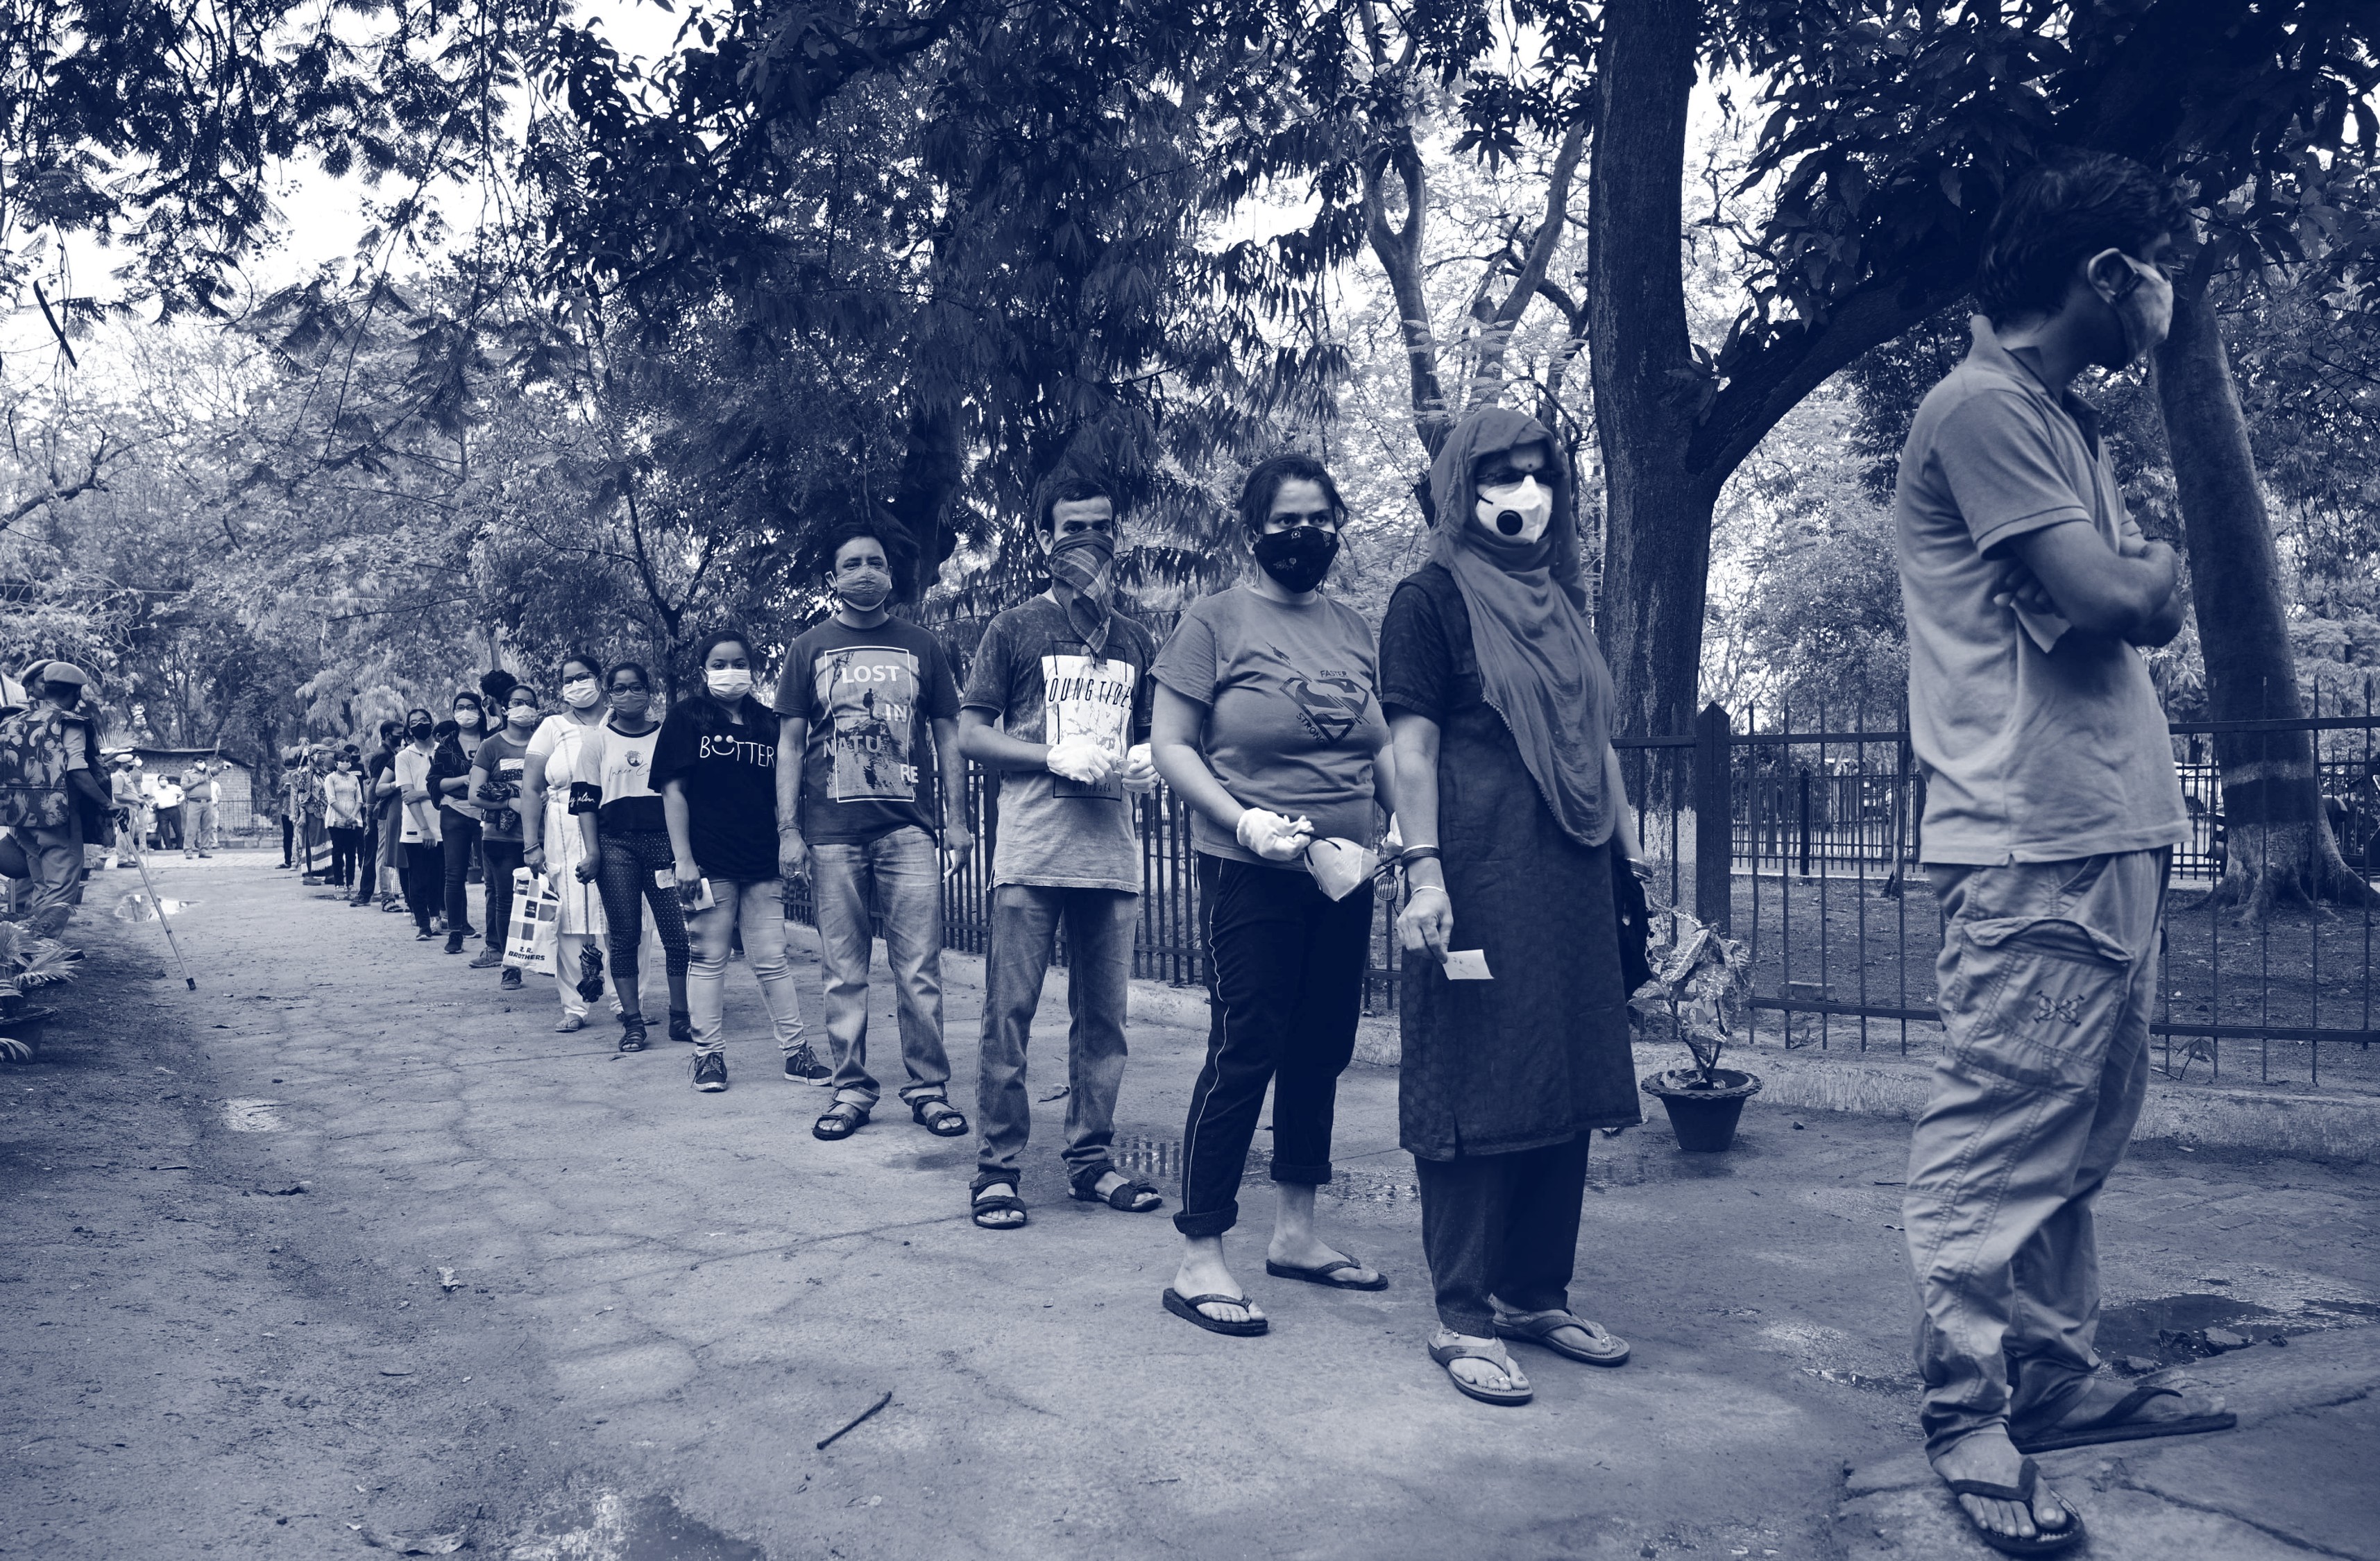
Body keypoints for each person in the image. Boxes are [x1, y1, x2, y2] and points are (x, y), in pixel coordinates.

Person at [1891, 153, 2231, 1556]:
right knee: (1994, 1137)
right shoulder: (1979, 409)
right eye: (2149, 265)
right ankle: (1962, 1410)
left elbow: (2130, 593)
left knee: (2072, 1140)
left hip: (2102, 832)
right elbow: (2119, 597)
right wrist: (2140, 567)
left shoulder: (2048, 421)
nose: (2158, 291)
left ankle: (2052, 1369)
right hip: (2032, 840)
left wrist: (2139, 572)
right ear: (2105, 276)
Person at [1378, 410, 1646, 1405]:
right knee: (1474, 1085)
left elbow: (1596, 739)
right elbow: (1410, 749)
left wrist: (1629, 857)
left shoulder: (1558, 603)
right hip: (1477, 875)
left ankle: (1535, 1291)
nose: (1523, 492)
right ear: (1459, 487)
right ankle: (1462, 1314)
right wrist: (1425, 872)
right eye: (1499, 474)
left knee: (1559, 1078)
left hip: (1570, 876)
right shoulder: (1429, 599)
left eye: (1539, 475)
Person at [1148, 453, 1399, 1336]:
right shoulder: (1212, 621)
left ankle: (1295, 1234)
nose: (1305, 536)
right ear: (1253, 530)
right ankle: (1200, 1254)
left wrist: (1410, 837)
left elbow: (1378, 746)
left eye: (1319, 519)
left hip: (1343, 870)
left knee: (1321, 1045)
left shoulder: (1353, 627)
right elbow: (1173, 745)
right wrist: (1243, 820)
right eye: (1286, 521)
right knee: (1246, 1042)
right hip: (1248, 867)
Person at [955, 473, 1164, 1231]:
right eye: (1072, 528)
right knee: (1007, 1016)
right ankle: (997, 1170)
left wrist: (1148, 759)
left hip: (1110, 856)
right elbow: (971, 734)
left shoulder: (1136, 638)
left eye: (1102, 527)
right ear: (1044, 538)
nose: (1089, 541)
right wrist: (1048, 755)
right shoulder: (1014, 628)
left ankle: (1090, 1163)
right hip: (1031, 854)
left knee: (1104, 1022)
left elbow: (1154, 736)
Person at [774, 522, 968, 1129]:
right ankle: (851, 1090)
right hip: (832, 832)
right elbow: (789, 744)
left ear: (891, 576)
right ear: (834, 579)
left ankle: (929, 1090)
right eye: (853, 564)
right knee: (843, 972)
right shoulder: (808, 648)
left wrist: (957, 823)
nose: (866, 573)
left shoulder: (922, 646)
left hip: (908, 830)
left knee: (919, 970)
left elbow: (947, 735)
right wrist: (788, 829)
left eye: (876, 563)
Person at [658, 629, 808, 1094]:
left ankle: (797, 1053)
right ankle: (708, 1058)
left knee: (772, 960)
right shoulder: (686, 718)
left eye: (738, 662)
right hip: (706, 862)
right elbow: (673, 792)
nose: (729, 671)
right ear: (704, 670)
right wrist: (683, 858)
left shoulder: (770, 723)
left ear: (754, 668)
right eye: (718, 663)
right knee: (707, 959)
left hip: (762, 859)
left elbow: (788, 788)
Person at [575, 663, 693, 1052]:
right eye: (620, 689)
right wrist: (592, 852)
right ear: (609, 695)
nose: (629, 695)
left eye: (637, 688)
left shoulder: (668, 736)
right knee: (624, 936)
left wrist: (686, 853)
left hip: (664, 842)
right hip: (615, 845)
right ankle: (633, 1023)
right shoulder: (596, 741)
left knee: (677, 935)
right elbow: (586, 802)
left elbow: (684, 795)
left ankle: (681, 1018)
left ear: (649, 691)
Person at [520, 655, 616, 1031]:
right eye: (568, 679)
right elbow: (531, 788)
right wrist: (532, 844)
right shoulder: (551, 726)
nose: (576, 684)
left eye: (583, 677)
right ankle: (575, 1007)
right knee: (572, 918)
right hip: (563, 828)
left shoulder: (619, 720)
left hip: (619, 825)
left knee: (625, 917)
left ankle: (627, 1002)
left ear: (599, 680)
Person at [0, 663, 112, 939]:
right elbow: (77, 771)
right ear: (75, 693)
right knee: (61, 887)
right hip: (56, 817)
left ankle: (24, 947)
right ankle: (38, 949)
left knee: (41, 883)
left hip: (20, 817)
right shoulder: (69, 722)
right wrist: (107, 803)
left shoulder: (11, 721)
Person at [470, 683, 540, 987]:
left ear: (536, 708)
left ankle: (551, 959)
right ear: (505, 708)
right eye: (516, 702)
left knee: (546, 900)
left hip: (545, 835)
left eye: (529, 702)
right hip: (501, 837)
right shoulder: (491, 746)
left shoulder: (546, 741)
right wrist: (510, 802)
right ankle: (510, 965)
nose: (522, 707)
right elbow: (474, 795)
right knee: (507, 902)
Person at [430, 691, 489, 953]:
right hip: (454, 811)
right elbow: (434, 782)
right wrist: (465, 780)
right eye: (460, 707)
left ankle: (498, 936)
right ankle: (455, 932)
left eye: (471, 707)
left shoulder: (493, 741)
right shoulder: (445, 748)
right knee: (454, 875)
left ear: (480, 710)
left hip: (490, 813)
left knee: (494, 877)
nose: (466, 712)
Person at [391, 709, 444, 940]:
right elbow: (407, 795)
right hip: (416, 826)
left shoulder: (444, 751)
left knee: (439, 876)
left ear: (432, 723)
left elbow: (450, 787)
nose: (420, 725)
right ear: (408, 729)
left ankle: (437, 918)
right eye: (414, 722)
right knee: (418, 877)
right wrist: (424, 829)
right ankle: (422, 924)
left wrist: (423, 793)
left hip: (444, 823)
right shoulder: (404, 756)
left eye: (424, 720)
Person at [362, 720, 406, 910]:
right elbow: (374, 786)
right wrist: (370, 812)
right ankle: (386, 896)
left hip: (390, 809)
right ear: (388, 735)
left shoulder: (391, 753)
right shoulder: (383, 755)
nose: (402, 736)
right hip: (384, 809)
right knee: (384, 853)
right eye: (398, 733)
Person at [324, 747, 368, 892]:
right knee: (338, 851)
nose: (345, 763)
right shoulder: (330, 778)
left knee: (351, 852)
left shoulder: (354, 778)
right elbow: (332, 800)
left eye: (347, 761)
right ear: (336, 763)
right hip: (336, 818)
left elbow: (360, 799)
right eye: (342, 761)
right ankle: (339, 883)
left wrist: (353, 816)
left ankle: (350, 882)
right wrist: (347, 816)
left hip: (354, 819)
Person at [153, 773, 185, 853]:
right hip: (162, 811)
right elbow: (153, 799)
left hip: (173, 809)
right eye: (161, 780)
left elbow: (185, 793)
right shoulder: (155, 790)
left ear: (167, 781)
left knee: (177, 828)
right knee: (164, 829)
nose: (163, 781)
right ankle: (169, 847)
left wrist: (179, 801)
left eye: (165, 779)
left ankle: (179, 846)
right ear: (158, 782)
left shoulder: (174, 788)